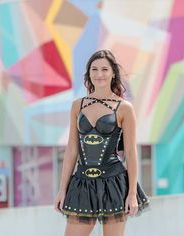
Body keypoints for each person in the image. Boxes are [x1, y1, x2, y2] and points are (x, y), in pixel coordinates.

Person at [54, 50, 149, 236]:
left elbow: (130, 153)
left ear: (113, 73)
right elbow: (72, 150)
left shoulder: (124, 108)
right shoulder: (78, 105)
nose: (99, 74)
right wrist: (61, 190)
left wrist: (131, 194)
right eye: (94, 69)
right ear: (88, 73)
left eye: (105, 69)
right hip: (81, 182)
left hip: (113, 182)